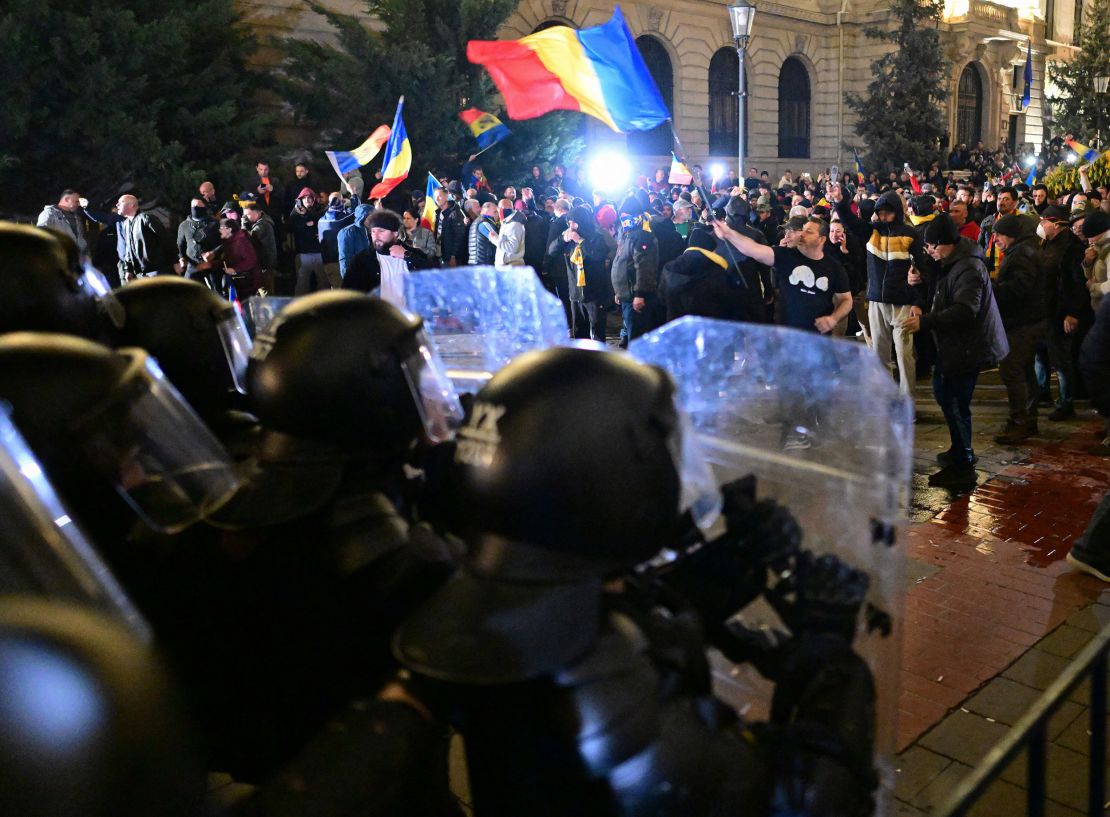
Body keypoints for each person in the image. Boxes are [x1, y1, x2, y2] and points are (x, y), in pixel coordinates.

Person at [393, 345, 878, 817]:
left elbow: (638, 616)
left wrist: (735, 560)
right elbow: (810, 796)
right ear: (609, 485)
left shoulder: (507, 599)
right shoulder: (599, 690)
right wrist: (829, 653)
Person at [901, 215, 1008, 487]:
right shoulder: (951, 262)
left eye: (932, 247)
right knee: (945, 393)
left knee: (956, 401)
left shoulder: (969, 268)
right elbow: (941, 291)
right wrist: (921, 291)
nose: (929, 252)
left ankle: (964, 462)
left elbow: (965, 310)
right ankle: (958, 450)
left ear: (944, 244)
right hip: (955, 345)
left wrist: (924, 322)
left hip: (968, 347)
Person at [831, 184, 925, 399]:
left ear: (897, 212)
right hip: (876, 301)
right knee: (880, 353)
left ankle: (906, 400)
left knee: (904, 354)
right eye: (880, 212)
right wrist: (839, 201)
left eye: (888, 211)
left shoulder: (911, 235)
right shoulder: (871, 232)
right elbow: (850, 222)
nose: (883, 216)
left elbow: (922, 269)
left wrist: (919, 302)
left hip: (902, 302)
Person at [990, 214, 1047, 444]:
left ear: (1010, 235)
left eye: (999, 235)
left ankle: (1019, 421)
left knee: (1011, 369)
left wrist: (993, 289)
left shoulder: (1022, 254)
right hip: (1027, 320)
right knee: (1024, 369)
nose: (995, 240)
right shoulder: (1023, 250)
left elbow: (1020, 288)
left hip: (1024, 322)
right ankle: (1028, 418)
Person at [1037, 205, 1092, 421]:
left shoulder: (1071, 247)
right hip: (1045, 310)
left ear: (1057, 224)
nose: (1040, 226)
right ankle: (1043, 392)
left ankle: (1065, 402)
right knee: (1041, 354)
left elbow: (1076, 284)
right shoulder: (1047, 243)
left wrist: (1072, 313)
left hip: (1061, 312)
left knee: (1061, 360)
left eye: (1044, 222)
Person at [660, 225, 765, 324]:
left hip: (678, 328)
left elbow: (662, 297)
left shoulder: (669, 268)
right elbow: (728, 304)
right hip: (708, 330)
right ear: (710, 249)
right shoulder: (715, 270)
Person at [343, 209, 433, 303]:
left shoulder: (412, 254)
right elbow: (348, 293)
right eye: (373, 231)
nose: (376, 236)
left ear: (395, 234)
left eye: (381, 231)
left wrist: (407, 255)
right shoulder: (361, 260)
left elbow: (434, 276)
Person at [612, 194, 660, 347]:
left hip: (636, 297)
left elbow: (644, 267)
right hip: (627, 295)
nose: (623, 219)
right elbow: (621, 262)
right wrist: (619, 292)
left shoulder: (642, 235)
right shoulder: (628, 234)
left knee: (637, 339)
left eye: (626, 216)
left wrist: (640, 294)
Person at [559, 204, 611, 341]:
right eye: (569, 222)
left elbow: (598, 255)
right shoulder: (568, 239)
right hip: (575, 293)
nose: (571, 226)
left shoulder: (596, 237)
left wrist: (581, 241)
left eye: (574, 222)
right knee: (579, 331)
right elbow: (551, 250)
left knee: (597, 330)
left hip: (593, 292)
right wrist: (562, 239)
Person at [116, 194, 173, 281]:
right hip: (141, 274)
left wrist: (176, 260)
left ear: (132, 205)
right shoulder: (126, 224)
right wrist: (128, 270)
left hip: (157, 271)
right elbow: (129, 248)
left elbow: (165, 239)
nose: (117, 205)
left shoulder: (147, 219)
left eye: (121, 202)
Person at [176, 198, 221, 290]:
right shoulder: (184, 225)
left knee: (217, 290)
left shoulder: (214, 223)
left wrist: (214, 253)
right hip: (193, 264)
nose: (195, 208)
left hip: (211, 263)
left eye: (198, 206)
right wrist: (182, 257)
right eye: (193, 206)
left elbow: (223, 243)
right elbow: (180, 244)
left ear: (204, 207)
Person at [288, 187, 325, 294]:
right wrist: (306, 220)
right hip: (303, 253)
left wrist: (310, 219)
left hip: (318, 252)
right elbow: (293, 228)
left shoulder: (317, 211)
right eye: (305, 198)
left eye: (310, 198)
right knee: (302, 284)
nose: (307, 200)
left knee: (323, 282)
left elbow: (319, 221)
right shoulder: (295, 212)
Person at [215, 217, 263, 298]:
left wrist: (235, 269)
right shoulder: (229, 241)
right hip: (239, 281)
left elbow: (251, 260)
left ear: (229, 230)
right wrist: (211, 264)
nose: (219, 230)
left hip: (248, 282)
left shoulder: (241, 241)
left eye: (220, 228)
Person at [37, 189, 91, 256]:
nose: (79, 204)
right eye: (76, 201)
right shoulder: (49, 214)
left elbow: (81, 239)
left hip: (78, 258)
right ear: (67, 199)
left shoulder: (77, 218)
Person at [317, 194, 354, 289]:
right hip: (339, 262)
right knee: (342, 294)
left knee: (335, 290)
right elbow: (357, 213)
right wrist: (353, 195)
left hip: (326, 262)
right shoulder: (341, 219)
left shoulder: (321, 220)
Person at [241, 199, 278, 292]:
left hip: (265, 265)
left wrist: (244, 224)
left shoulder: (263, 224)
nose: (246, 217)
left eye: (248, 214)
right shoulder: (263, 220)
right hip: (264, 264)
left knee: (266, 293)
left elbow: (248, 238)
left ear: (257, 213)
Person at [338, 202, 374, 280]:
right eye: (371, 217)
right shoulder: (348, 232)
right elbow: (345, 259)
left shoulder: (372, 232)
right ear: (363, 217)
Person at [430, 188, 467, 267]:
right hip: (440, 255)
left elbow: (459, 236)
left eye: (439, 196)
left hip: (451, 257)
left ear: (446, 196)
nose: (436, 199)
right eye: (435, 196)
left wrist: (453, 256)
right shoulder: (437, 213)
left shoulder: (454, 213)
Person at [490, 198, 526, 267]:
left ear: (511, 208)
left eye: (503, 208)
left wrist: (494, 239)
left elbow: (512, 248)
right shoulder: (506, 222)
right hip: (505, 266)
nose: (500, 210)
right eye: (500, 208)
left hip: (511, 267)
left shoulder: (515, 224)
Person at [467, 201, 499, 267]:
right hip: (483, 263)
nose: (497, 214)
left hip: (478, 262)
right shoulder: (484, 223)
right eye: (495, 212)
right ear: (486, 211)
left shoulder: (479, 221)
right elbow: (497, 241)